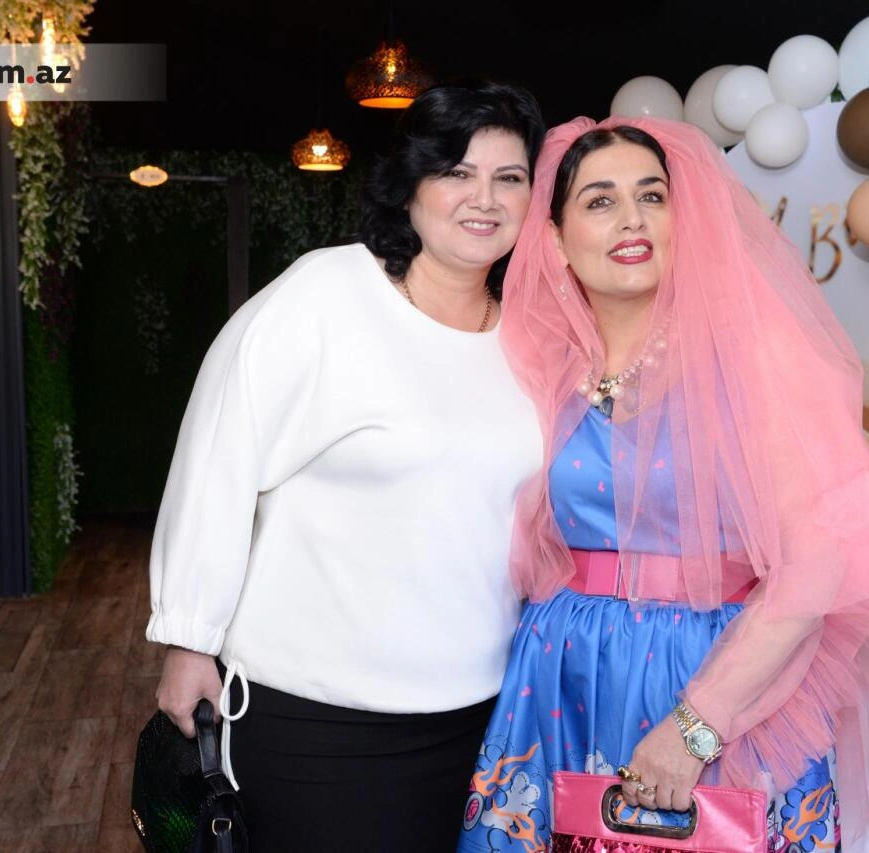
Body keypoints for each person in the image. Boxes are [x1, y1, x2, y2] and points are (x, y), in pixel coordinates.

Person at [457, 117, 869, 853]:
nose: (632, 219)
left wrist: (696, 724)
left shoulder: (752, 356)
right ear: (553, 239)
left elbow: (819, 560)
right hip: (559, 677)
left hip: (709, 677)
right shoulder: (537, 363)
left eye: (652, 196)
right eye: (600, 201)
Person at [146, 81, 546, 852]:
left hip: (485, 712)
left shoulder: (532, 335)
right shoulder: (327, 295)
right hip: (321, 719)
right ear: (411, 185)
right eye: (457, 172)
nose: (484, 198)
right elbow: (218, 454)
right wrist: (189, 635)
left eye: (509, 177)